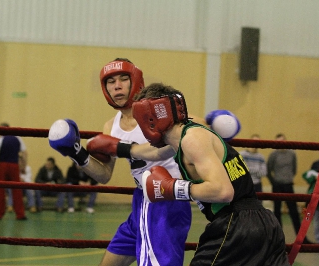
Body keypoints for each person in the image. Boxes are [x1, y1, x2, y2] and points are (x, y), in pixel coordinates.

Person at [48, 58, 241, 265]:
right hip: (140, 201)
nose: (117, 86)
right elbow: (103, 175)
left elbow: (195, 125)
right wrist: (78, 153)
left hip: (166, 201)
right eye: (111, 82)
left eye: (123, 79)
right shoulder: (110, 126)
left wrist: (213, 126)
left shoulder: (157, 112)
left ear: (136, 81)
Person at [120, 82, 288, 265]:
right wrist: (119, 148)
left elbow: (223, 191)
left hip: (237, 226)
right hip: (260, 224)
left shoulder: (192, 139)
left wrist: (173, 188)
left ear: (151, 118)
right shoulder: (187, 136)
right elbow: (154, 153)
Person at [267, 133, 313, 244]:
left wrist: (288, 178)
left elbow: (294, 168)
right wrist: (274, 182)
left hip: (288, 184)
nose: (280, 144)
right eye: (278, 142)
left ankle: (302, 238)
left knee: (294, 212)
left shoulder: (292, 153)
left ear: (286, 141)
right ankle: (278, 240)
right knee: (277, 212)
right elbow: (268, 170)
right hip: (277, 185)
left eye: (282, 141)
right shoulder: (273, 154)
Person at [0, 122, 27, 220]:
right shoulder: (17, 138)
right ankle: (20, 214)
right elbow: (24, 153)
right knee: (17, 190)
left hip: (3, 165)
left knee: (0, 190)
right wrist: (23, 166)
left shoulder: (0, 140)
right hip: (14, 165)